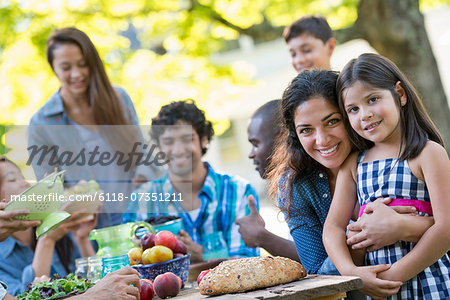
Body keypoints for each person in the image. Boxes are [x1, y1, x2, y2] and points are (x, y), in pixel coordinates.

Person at [267, 70, 434, 284]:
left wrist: (403, 225)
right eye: (307, 130)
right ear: (296, 135)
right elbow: (318, 272)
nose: (322, 139)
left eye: (332, 121)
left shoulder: (401, 159)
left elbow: (444, 225)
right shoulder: (297, 187)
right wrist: (365, 235)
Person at [323, 53, 450, 299]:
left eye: (373, 99)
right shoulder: (354, 164)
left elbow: (446, 228)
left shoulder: (427, 154)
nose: (365, 114)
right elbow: (333, 228)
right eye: (353, 109)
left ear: (400, 94)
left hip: (430, 284)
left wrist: (392, 277)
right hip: (379, 288)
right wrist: (352, 274)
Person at [28, 27, 161, 228]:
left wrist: (142, 177)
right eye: (66, 67)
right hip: (92, 230)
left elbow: (142, 152)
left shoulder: (119, 99)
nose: (76, 74)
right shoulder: (42, 124)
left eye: (83, 64)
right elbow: (49, 193)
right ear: (53, 67)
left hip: (140, 215)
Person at [122, 100, 259, 262]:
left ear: (203, 140)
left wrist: (203, 256)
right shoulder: (141, 201)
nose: (178, 150)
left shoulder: (239, 191)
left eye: (187, 139)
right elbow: (127, 265)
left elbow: (249, 263)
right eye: (168, 142)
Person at [0, 157, 97, 295]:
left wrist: (81, 238)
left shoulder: (56, 228)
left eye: (22, 176)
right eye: (12, 179)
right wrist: (47, 240)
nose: (25, 183)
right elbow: (25, 296)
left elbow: (92, 282)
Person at [235, 100, 299, 261]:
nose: (251, 154)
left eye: (256, 144)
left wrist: (261, 236)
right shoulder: (286, 185)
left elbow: (318, 259)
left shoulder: (303, 183)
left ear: (281, 140)